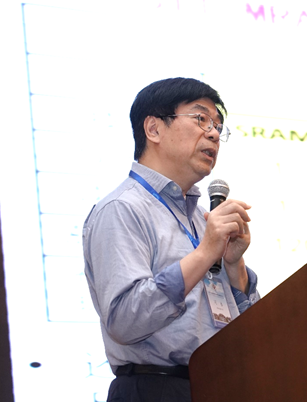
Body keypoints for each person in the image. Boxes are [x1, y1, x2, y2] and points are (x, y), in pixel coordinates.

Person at [83, 77, 260, 402]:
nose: (213, 134)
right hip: (156, 389)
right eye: (201, 119)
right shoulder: (122, 208)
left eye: (218, 126)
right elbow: (124, 320)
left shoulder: (202, 219)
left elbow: (250, 335)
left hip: (220, 387)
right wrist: (205, 253)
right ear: (153, 129)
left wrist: (235, 268)